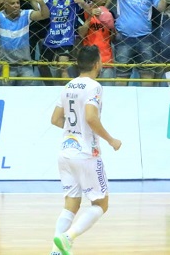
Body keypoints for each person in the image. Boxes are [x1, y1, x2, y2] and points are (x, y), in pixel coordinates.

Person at [50, 46, 122, 255]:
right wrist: (111, 140)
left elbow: (55, 119)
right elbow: (91, 117)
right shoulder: (94, 87)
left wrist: (73, 128)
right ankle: (67, 238)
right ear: (97, 63)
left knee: (71, 204)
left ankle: (55, 251)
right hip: (86, 153)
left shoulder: (68, 86)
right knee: (101, 203)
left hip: (65, 151)